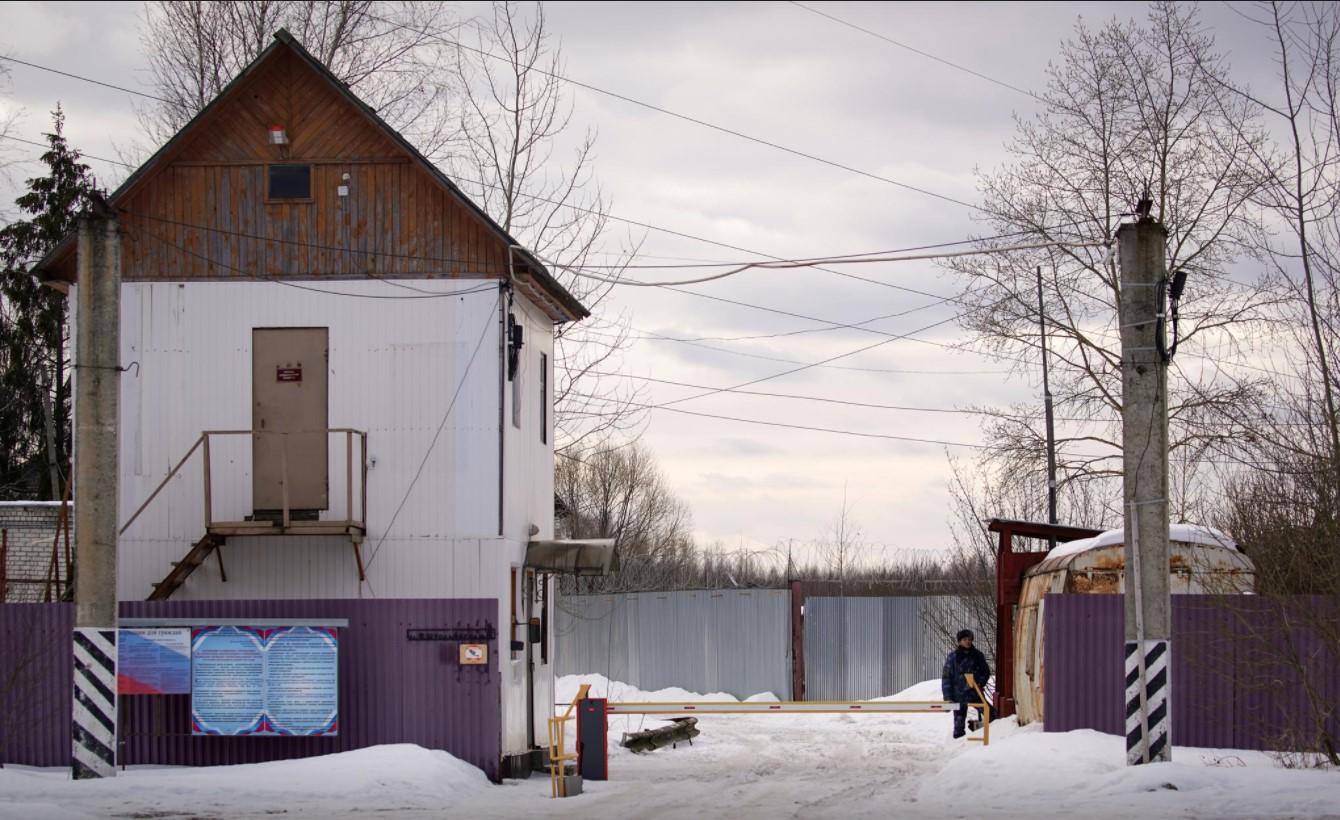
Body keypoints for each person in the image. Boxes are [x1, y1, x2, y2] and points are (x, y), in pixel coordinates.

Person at [941, 628, 991, 739]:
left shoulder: (977, 656)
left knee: (992, 716)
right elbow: (946, 678)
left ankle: (985, 735)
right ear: (959, 641)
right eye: (964, 639)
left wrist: (980, 683)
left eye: (969, 639)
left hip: (975, 694)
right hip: (959, 696)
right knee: (959, 727)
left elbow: (986, 672)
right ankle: (959, 750)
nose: (967, 641)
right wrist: (947, 698)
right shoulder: (953, 657)